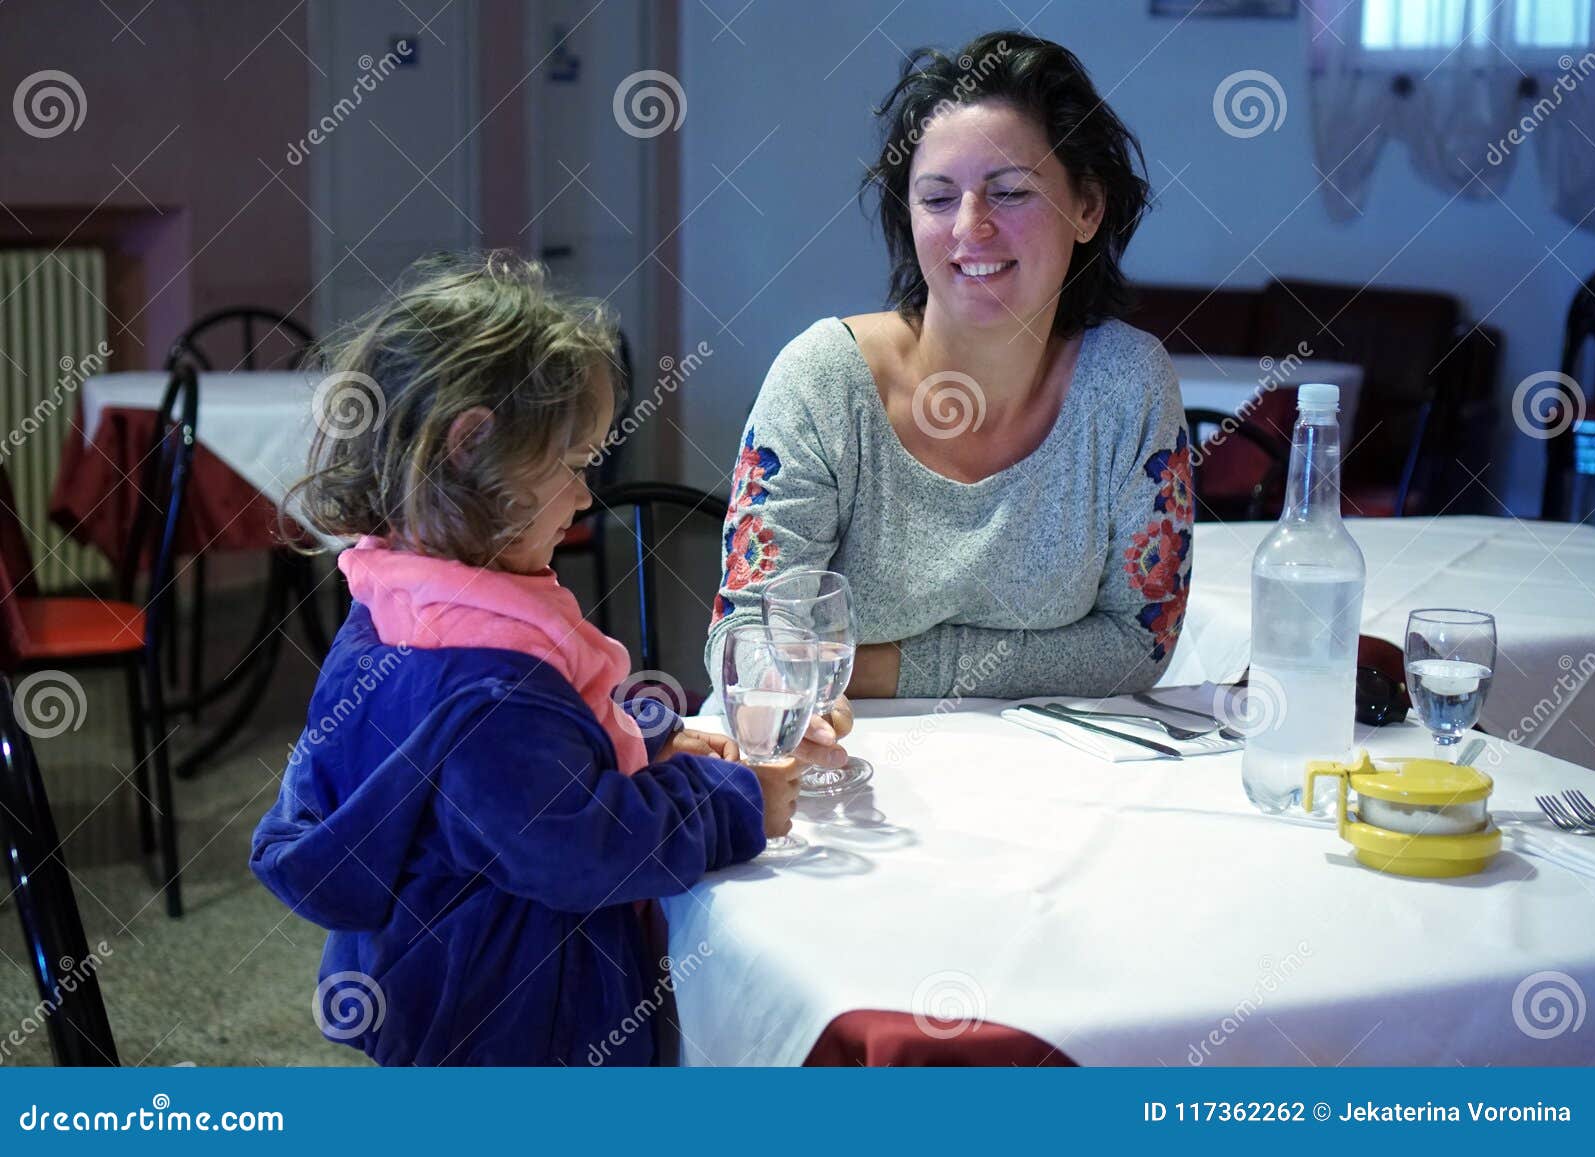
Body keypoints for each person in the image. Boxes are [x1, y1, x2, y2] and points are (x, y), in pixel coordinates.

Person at [251, 253, 798, 1066]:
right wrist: (733, 799)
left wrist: (646, 739)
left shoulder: (394, 608)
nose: (585, 496)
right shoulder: (490, 688)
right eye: (575, 465)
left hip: (425, 984)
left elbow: (513, 776)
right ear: (471, 448)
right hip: (523, 1019)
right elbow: (578, 847)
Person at [706, 31, 1192, 769]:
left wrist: (883, 667)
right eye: (938, 197)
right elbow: (745, 639)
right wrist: (786, 682)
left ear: (1087, 207)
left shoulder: (1128, 386)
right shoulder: (822, 382)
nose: (971, 228)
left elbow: (1138, 645)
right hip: (843, 781)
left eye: (1010, 191)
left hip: (1054, 786)